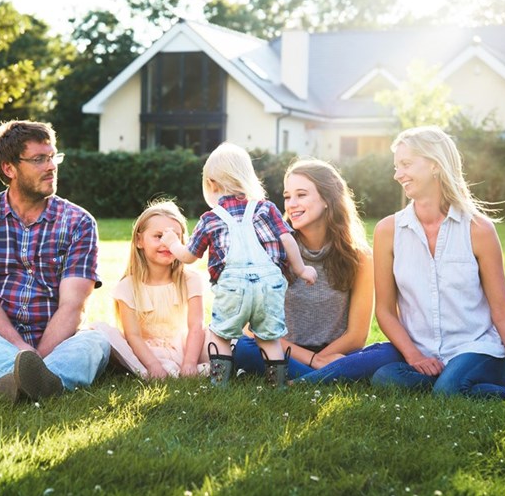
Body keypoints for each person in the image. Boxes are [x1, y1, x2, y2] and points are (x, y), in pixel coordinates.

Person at [370, 125, 505, 403]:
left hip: (479, 350)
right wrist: (414, 355)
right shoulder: (388, 230)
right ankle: (450, 383)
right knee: (385, 379)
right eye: (396, 166)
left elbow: (503, 309)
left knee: (448, 392)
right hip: (428, 354)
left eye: (406, 164)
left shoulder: (478, 229)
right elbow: (385, 310)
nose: (397, 174)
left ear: (435, 165)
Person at [0, 120, 110, 404]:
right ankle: (45, 381)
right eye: (39, 159)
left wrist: (39, 356)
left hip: (58, 343)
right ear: (9, 168)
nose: (51, 166)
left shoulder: (79, 222)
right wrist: (21, 350)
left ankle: (13, 382)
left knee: (96, 341)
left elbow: (73, 305)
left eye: (52, 157)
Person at [161, 142, 317, 388]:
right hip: (270, 287)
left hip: (233, 287)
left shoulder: (210, 218)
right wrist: (301, 269)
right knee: (269, 339)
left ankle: (218, 384)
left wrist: (172, 243)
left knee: (220, 334)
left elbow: (190, 255)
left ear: (211, 183)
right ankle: (276, 385)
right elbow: (287, 238)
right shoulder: (266, 208)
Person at [233, 158, 401, 383]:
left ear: (327, 200)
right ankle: (327, 377)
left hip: (335, 353)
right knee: (243, 346)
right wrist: (313, 361)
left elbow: (357, 335)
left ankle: (304, 380)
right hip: (281, 350)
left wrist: (322, 359)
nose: (291, 203)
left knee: (391, 351)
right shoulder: (272, 249)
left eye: (301, 195)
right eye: (287, 196)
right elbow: (254, 330)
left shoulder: (360, 257)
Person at [92, 200, 209, 379]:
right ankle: (163, 371)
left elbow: (196, 326)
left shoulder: (190, 280)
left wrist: (189, 363)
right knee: (104, 332)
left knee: (220, 337)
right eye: (158, 236)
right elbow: (133, 335)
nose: (166, 243)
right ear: (140, 241)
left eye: (173, 238)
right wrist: (154, 365)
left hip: (184, 346)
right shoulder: (127, 287)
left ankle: (191, 369)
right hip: (148, 352)